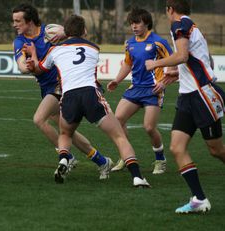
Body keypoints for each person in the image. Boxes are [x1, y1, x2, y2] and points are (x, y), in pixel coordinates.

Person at [27, 14, 151, 187]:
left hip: (69, 96)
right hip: (91, 95)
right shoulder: (94, 48)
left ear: (66, 31)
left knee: (65, 133)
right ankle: (137, 177)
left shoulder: (54, 51)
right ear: (84, 30)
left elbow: (39, 69)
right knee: (119, 136)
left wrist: (33, 54)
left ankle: (64, 158)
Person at [12, 3, 114, 180]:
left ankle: (66, 157)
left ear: (29, 21)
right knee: (67, 132)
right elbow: (21, 66)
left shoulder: (50, 30)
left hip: (63, 84)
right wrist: (28, 66)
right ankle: (102, 161)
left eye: (18, 21)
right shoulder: (20, 41)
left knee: (39, 119)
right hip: (47, 88)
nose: (14, 24)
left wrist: (64, 33)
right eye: (13, 21)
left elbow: (77, 34)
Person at [145, 0, 225, 214]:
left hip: (202, 96)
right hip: (187, 97)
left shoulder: (179, 24)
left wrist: (156, 64)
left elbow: (182, 56)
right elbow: (192, 60)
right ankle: (199, 199)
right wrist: (175, 74)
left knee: (216, 150)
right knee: (176, 147)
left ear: (169, 9)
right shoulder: (188, 25)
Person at [107, 8, 173, 174]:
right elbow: (128, 64)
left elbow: (173, 64)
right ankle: (126, 155)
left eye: (137, 23)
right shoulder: (130, 43)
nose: (134, 26)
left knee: (149, 127)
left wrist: (164, 83)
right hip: (135, 88)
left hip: (153, 89)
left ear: (147, 23)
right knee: (117, 120)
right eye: (131, 23)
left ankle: (160, 159)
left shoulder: (159, 42)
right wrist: (117, 80)